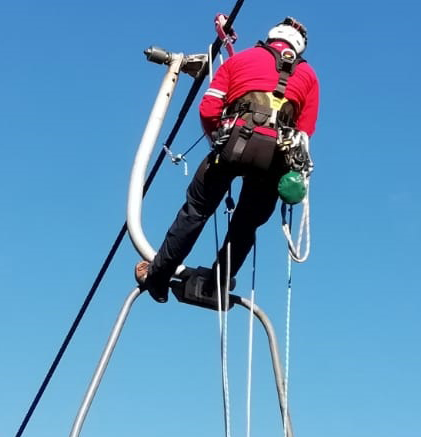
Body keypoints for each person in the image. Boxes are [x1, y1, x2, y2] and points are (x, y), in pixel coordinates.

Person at [136, 16, 320, 303]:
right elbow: (305, 132)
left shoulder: (240, 60)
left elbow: (209, 109)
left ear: (271, 37)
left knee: (196, 209)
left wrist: (219, 140)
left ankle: (158, 277)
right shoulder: (309, 76)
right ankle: (218, 283)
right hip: (275, 158)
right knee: (246, 223)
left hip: (233, 145)